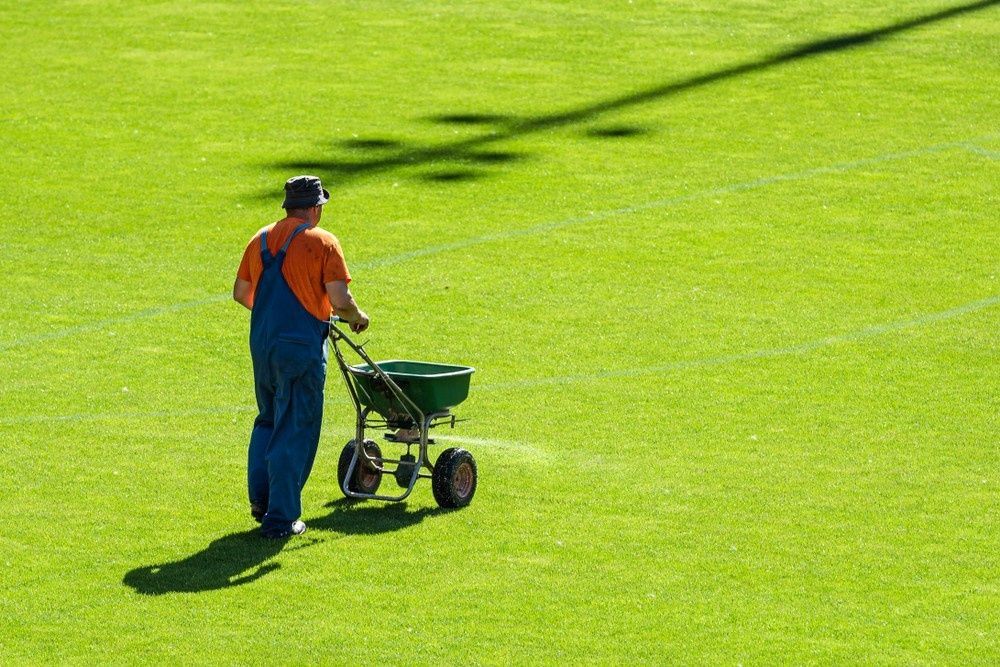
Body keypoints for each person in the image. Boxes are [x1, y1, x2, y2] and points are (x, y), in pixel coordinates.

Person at [233, 175, 370, 539]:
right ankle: (280, 518)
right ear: (314, 208)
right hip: (300, 349)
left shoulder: (260, 239)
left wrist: (274, 318)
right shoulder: (323, 242)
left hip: (263, 343)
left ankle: (261, 501)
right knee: (295, 428)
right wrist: (358, 318)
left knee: (268, 419)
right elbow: (339, 300)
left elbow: (242, 292)